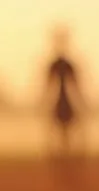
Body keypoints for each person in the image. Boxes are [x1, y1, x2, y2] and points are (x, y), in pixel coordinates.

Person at [40, 27, 84, 161]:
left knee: (65, 130)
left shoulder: (64, 64)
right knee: (57, 129)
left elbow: (75, 85)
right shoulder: (57, 64)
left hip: (64, 100)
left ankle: (65, 154)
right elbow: (48, 86)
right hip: (59, 100)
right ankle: (59, 154)